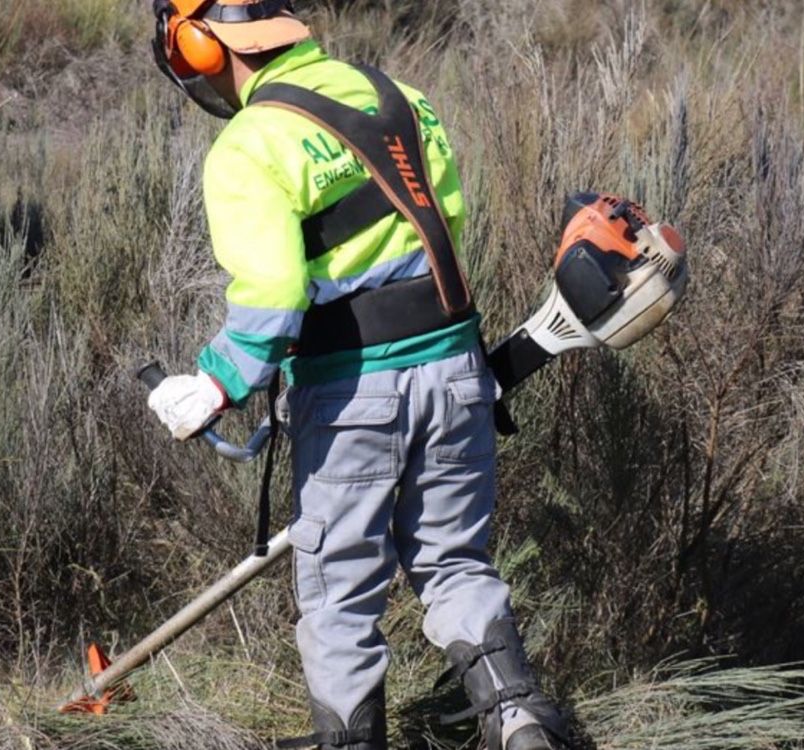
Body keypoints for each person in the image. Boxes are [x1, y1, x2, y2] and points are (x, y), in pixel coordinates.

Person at [145, 2, 569, 748]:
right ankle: (521, 718)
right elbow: (448, 223)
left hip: (352, 393)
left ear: (201, 49)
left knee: (341, 594)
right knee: (454, 560)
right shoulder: (401, 97)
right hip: (457, 369)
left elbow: (273, 296)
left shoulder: (248, 146)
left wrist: (212, 385)